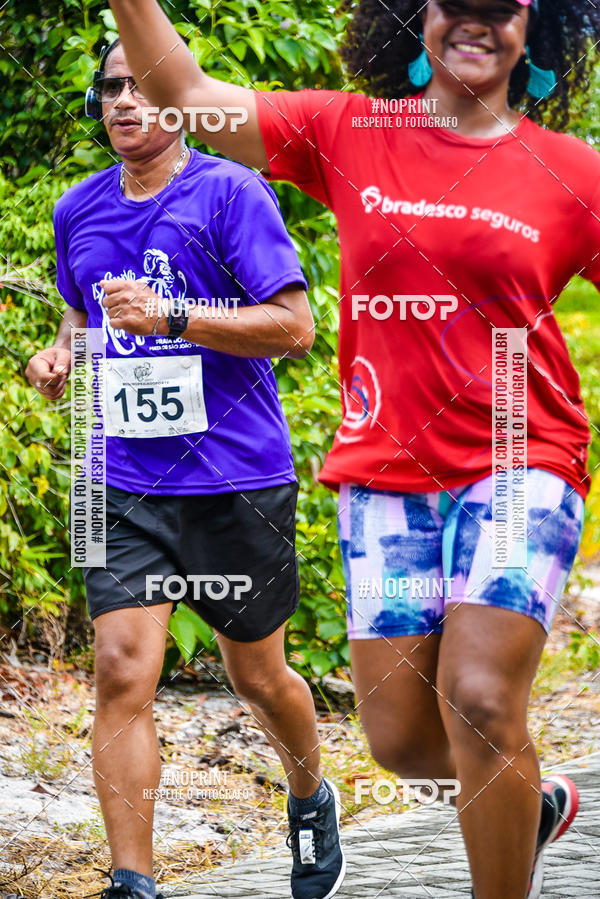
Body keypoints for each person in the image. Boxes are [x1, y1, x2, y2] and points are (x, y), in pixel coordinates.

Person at [106, 0, 600, 896]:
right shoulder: (349, 129)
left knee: (481, 698)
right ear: (421, 17)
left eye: (505, 6)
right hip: (386, 471)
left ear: (538, 26)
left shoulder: (568, 171)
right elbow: (180, 91)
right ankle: (524, 809)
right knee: (406, 739)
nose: (479, 22)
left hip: (520, 452)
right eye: (459, 3)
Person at [25, 38, 346, 899]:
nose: (124, 103)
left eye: (140, 87)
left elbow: (294, 326)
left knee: (257, 675)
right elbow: (80, 315)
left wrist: (174, 317)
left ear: (178, 99)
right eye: (110, 90)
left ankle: (311, 794)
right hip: (121, 479)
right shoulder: (78, 208)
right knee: (124, 669)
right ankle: (134, 880)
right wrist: (62, 356)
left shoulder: (231, 193)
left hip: (236, 477)